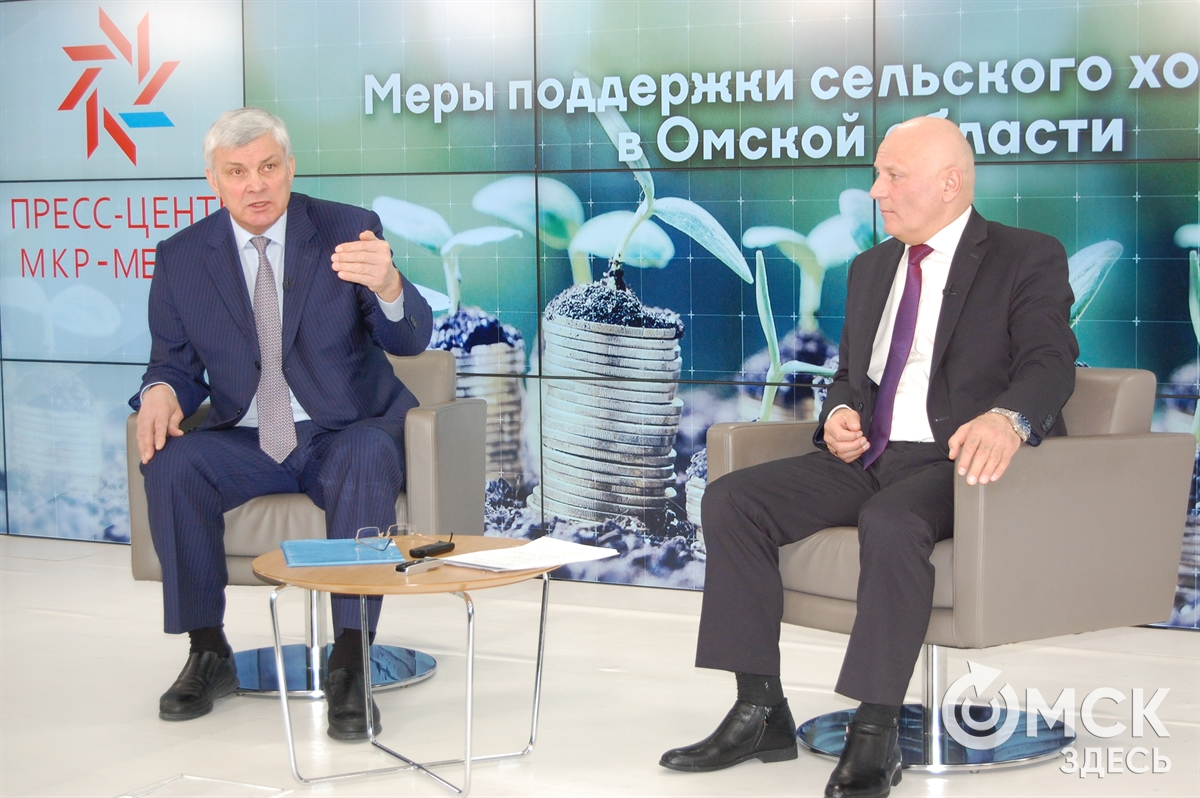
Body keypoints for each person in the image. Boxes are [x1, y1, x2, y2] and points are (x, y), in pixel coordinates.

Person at [660, 116, 1078, 798]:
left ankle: (876, 731)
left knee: (892, 520)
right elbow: (852, 375)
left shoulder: (1025, 256)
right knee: (733, 500)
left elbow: (1050, 361)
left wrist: (1007, 418)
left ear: (950, 183)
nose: (876, 190)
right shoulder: (871, 267)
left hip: (958, 464)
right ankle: (759, 711)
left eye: (893, 176)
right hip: (870, 457)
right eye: (878, 174)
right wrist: (839, 416)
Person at [131, 107, 433, 739]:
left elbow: (408, 340)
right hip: (250, 436)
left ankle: (350, 658)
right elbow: (174, 364)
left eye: (268, 167)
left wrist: (390, 287)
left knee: (363, 454)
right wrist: (159, 390)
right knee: (173, 460)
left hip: (345, 429)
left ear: (290, 168)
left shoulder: (347, 230)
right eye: (237, 172)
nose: (256, 185)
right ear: (214, 180)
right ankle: (207, 649)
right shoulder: (181, 257)